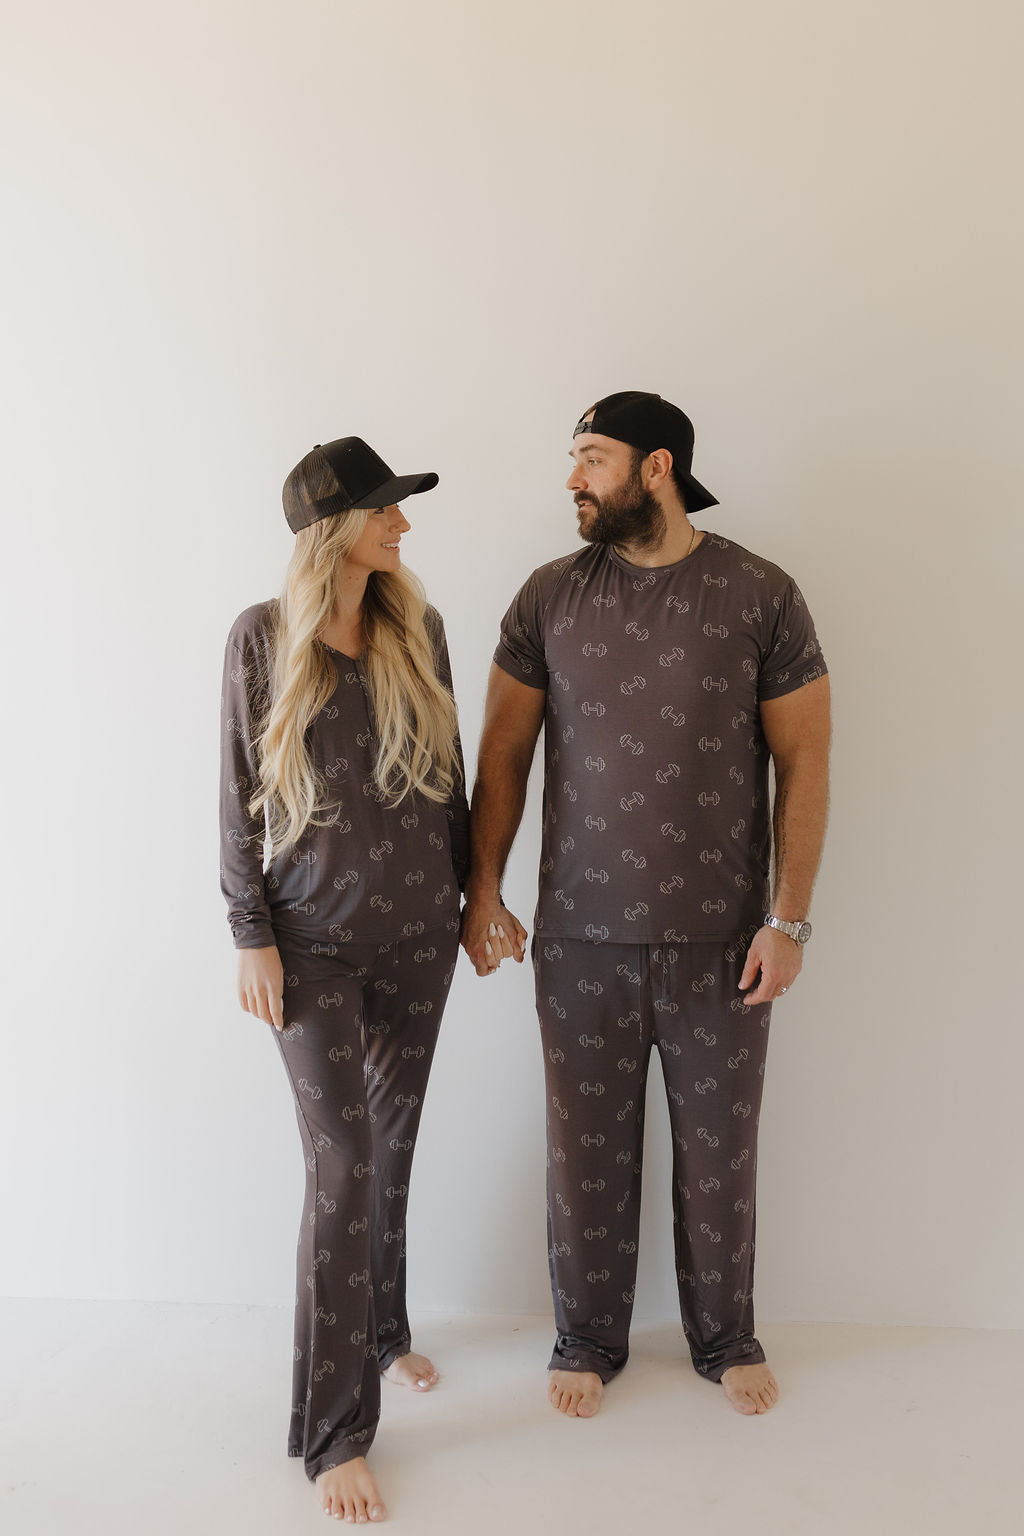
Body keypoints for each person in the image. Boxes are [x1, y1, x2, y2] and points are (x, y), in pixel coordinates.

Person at [463, 391, 830, 1421]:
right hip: (580, 936)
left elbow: (804, 763)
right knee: (584, 1153)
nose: (571, 478)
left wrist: (787, 918)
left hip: (726, 943)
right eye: (572, 458)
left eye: (590, 457)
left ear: (656, 466)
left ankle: (726, 1337)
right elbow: (502, 757)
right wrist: (481, 889)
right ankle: (585, 1336)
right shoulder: (546, 598)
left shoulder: (761, 593)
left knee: (721, 1155)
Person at [220, 435, 468, 1522]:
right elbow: (236, 793)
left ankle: (386, 1330)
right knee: (343, 1167)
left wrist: (478, 903)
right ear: (336, 527)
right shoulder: (261, 638)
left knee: (391, 1149)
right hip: (309, 943)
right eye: (385, 510)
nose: (403, 526)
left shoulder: (419, 628)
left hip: (419, 933)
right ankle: (333, 1430)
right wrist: (249, 934)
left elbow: (447, 784)